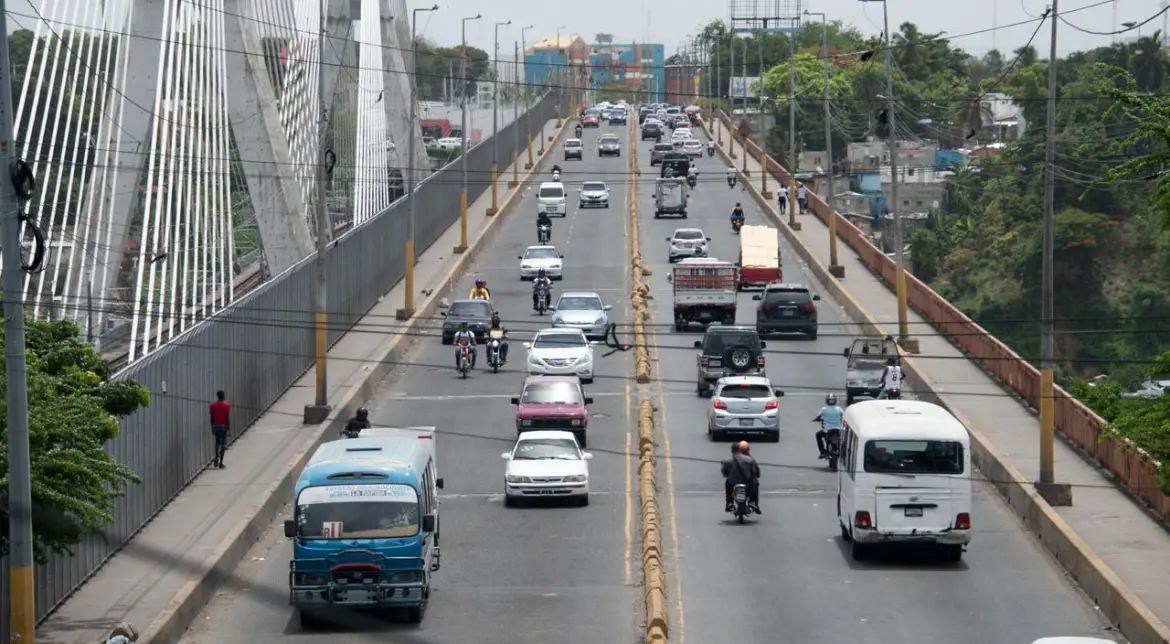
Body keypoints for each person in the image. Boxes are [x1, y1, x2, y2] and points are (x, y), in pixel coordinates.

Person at [721, 440, 762, 514]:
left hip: (733, 484)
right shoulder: (749, 459)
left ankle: (729, 502)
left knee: (727, 483)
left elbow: (724, 473)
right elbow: (756, 473)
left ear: (732, 450)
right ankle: (753, 502)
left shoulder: (726, 461)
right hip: (748, 484)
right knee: (755, 483)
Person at [813, 393, 845, 458]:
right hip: (838, 429)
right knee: (844, 439)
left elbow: (818, 417)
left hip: (827, 430)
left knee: (818, 435)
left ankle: (822, 452)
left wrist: (816, 419)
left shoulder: (823, 409)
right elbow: (844, 415)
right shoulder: (839, 409)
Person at [209, 390, 231, 469]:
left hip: (216, 426)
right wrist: (229, 429)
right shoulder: (226, 405)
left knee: (217, 443)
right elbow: (227, 418)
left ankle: (216, 456)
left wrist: (212, 427)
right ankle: (221, 462)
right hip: (223, 427)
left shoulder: (213, 405)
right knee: (223, 445)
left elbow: (212, 418)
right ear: (223, 396)